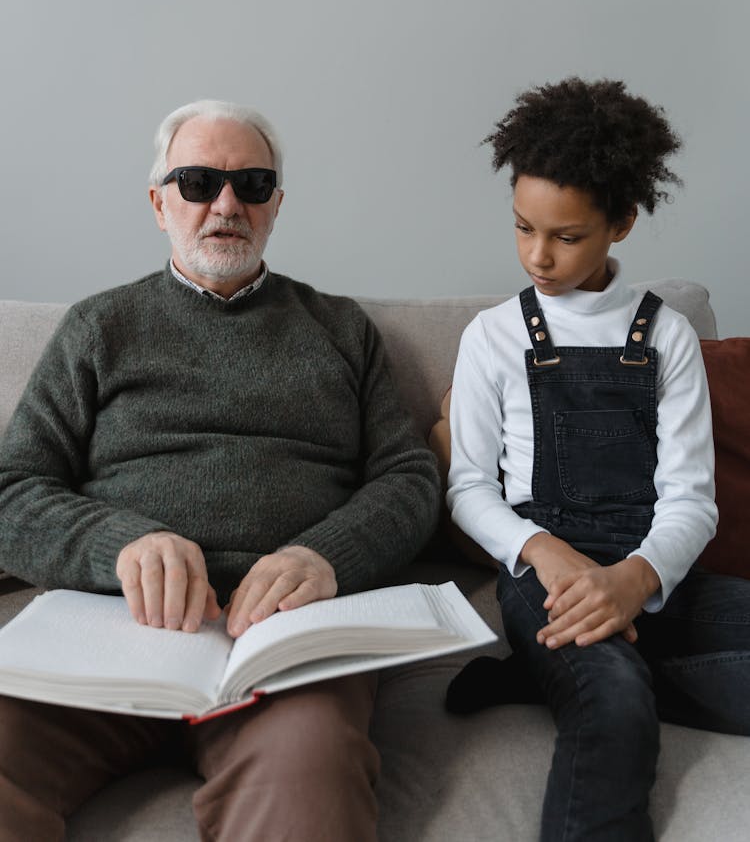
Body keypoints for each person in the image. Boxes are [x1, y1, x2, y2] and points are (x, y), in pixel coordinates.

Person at [0, 99, 440, 842]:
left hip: (285, 642)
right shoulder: (98, 326)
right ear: (158, 202)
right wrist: (122, 545)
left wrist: (324, 554)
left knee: (310, 785)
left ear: (276, 204)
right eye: (198, 181)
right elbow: (13, 491)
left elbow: (411, 477)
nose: (226, 203)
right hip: (110, 629)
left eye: (252, 183)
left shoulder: (341, 329)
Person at [444, 78, 750, 841]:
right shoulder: (493, 336)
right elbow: (470, 486)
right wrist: (544, 551)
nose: (537, 256)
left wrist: (633, 580)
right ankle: (598, 678)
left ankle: (551, 678)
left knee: (628, 676)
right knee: (613, 707)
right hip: (543, 578)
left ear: (621, 223)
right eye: (522, 229)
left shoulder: (668, 335)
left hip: (653, 572)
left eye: (566, 236)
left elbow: (691, 501)